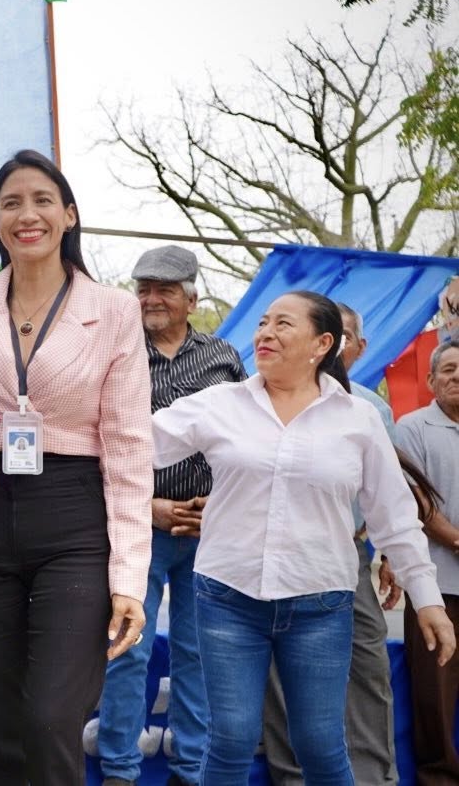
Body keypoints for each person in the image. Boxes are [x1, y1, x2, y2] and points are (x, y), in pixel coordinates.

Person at [150, 290, 456, 785]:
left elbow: (393, 515)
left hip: (321, 605)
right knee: (229, 739)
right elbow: (133, 446)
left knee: (320, 744)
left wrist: (428, 601)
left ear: (322, 344)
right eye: (263, 323)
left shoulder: (357, 418)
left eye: (283, 324)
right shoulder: (220, 405)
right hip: (228, 597)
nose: (265, 332)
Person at [0, 149, 152, 785]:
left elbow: (127, 446)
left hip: (74, 517)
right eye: (11, 203)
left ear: (68, 215)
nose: (26, 214)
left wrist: (129, 580)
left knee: (51, 717)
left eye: (41, 201)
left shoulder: (113, 309)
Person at [97, 245, 246, 786]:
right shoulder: (114, 353)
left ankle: (191, 769)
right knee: (126, 648)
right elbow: (97, 441)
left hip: (210, 529)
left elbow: (243, 438)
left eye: (164, 289)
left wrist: (222, 501)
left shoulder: (224, 356)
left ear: (192, 297)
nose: (151, 298)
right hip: (139, 526)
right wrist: (147, 505)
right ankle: (118, 769)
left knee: (199, 652)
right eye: (144, 289)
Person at [261, 300, 400, 786]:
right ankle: (291, 776)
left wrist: (392, 557)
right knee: (282, 675)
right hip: (278, 556)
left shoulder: (372, 408)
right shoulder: (265, 398)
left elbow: (386, 495)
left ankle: (374, 775)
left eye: (341, 335)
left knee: (367, 664)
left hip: (349, 554)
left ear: (354, 347)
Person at [397, 339, 459, 786]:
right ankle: (438, 777)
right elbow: (418, 503)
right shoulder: (412, 428)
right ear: (431, 380)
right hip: (436, 586)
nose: (457, 377)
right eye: (449, 370)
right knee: (433, 694)